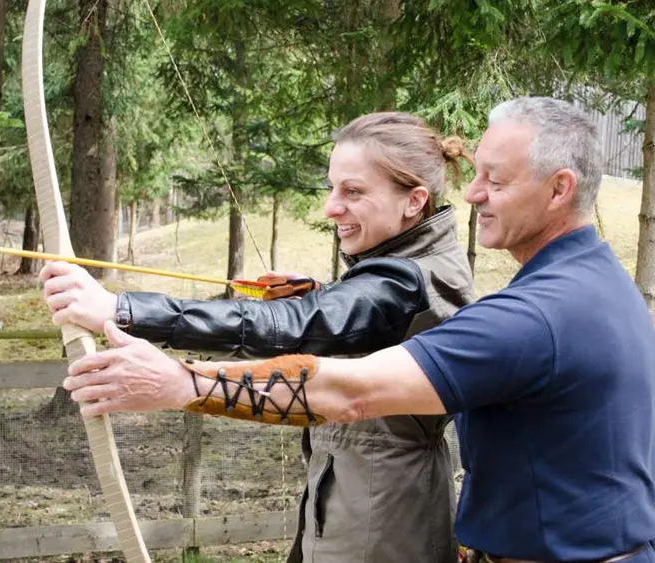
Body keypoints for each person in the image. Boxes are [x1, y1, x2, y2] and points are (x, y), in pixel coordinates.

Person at [58, 96, 655, 563]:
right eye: (477, 173)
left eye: (496, 181)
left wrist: (172, 374)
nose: (475, 193)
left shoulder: (533, 312)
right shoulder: (595, 280)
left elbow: (348, 392)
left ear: (559, 188)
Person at [40, 112, 477, 563]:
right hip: (361, 500)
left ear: (414, 200)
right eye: (331, 187)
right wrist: (325, 295)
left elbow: (300, 323)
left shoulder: (405, 281)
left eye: (353, 191)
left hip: (380, 519)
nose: (331, 207)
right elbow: (369, 321)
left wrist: (120, 310)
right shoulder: (413, 266)